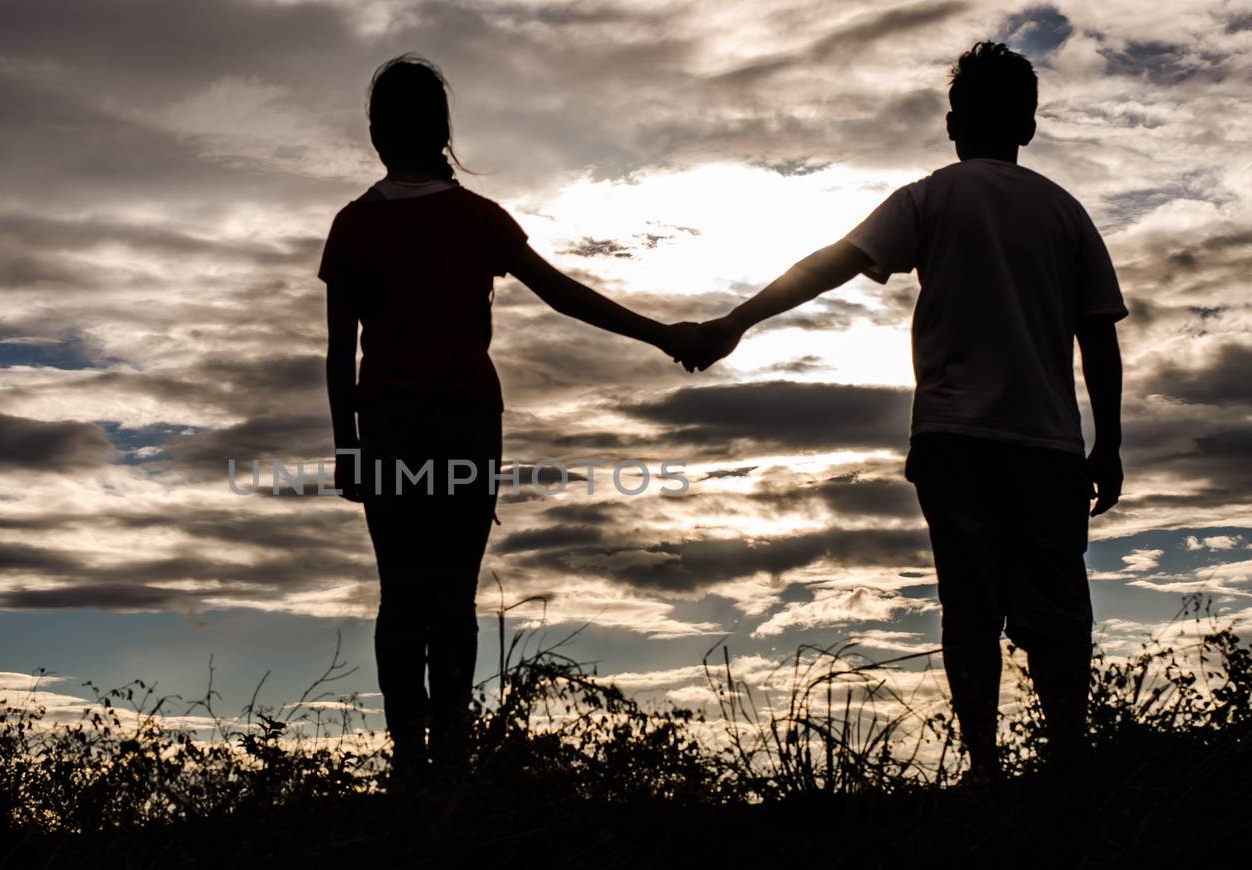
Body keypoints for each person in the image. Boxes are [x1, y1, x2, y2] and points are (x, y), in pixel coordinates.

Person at [687, 41, 1127, 777]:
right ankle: (1071, 764)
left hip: (956, 440)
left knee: (970, 609)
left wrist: (738, 320)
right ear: (1029, 127)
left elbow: (833, 262)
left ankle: (984, 767)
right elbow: (1099, 337)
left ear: (953, 125)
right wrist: (1107, 442)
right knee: (1057, 613)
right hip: (1047, 444)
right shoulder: (1065, 212)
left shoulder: (929, 197)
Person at [319, 54, 706, 785]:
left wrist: (348, 449)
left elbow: (341, 355)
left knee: (401, 593)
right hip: (465, 424)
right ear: (442, 131)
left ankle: (412, 766)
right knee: (451, 598)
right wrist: (663, 335)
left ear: (375, 135)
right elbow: (564, 295)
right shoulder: (476, 219)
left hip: (391, 429)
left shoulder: (353, 226)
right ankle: (451, 764)